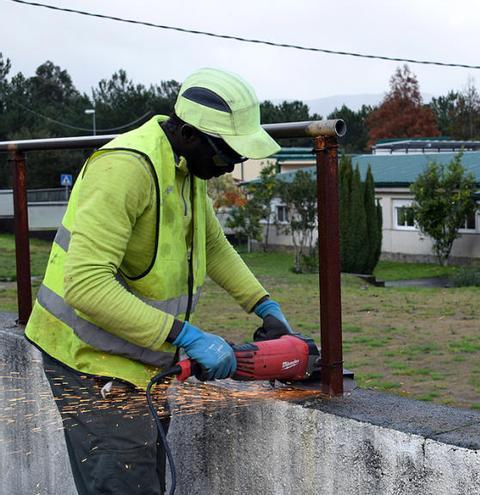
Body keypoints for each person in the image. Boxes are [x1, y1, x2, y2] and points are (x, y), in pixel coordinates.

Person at [24, 68, 300, 494]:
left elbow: (214, 246)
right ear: (190, 133)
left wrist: (264, 307)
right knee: (123, 482)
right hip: (87, 360)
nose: (233, 165)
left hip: (137, 355)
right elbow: (86, 285)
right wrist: (187, 336)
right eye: (227, 153)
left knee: (142, 477)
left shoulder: (185, 169)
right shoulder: (125, 168)